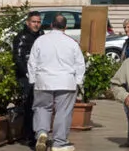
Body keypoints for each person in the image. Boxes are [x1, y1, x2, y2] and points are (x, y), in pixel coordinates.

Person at [29, 13, 87, 151]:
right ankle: (59, 142)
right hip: (66, 82)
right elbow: (80, 64)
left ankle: (42, 132)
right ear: (65, 27)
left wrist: (33, 79)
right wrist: (79, 82)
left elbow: (32, 62)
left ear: (51, 25)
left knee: (42, 108)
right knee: (63, 111)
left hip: (43, 80)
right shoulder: (72, 43)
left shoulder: (40, 40)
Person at [11, 11, 46, 145]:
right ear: (27, 23)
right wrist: (27, 73)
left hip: (40, 75)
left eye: (38, 22)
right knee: (28, 105)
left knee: (39, 105)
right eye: (34, 22)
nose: (36, 24)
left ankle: (36, 132)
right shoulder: (21, 37)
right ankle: (28, 135)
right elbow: (18, 58)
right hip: (26, 76)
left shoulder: (42, 35)